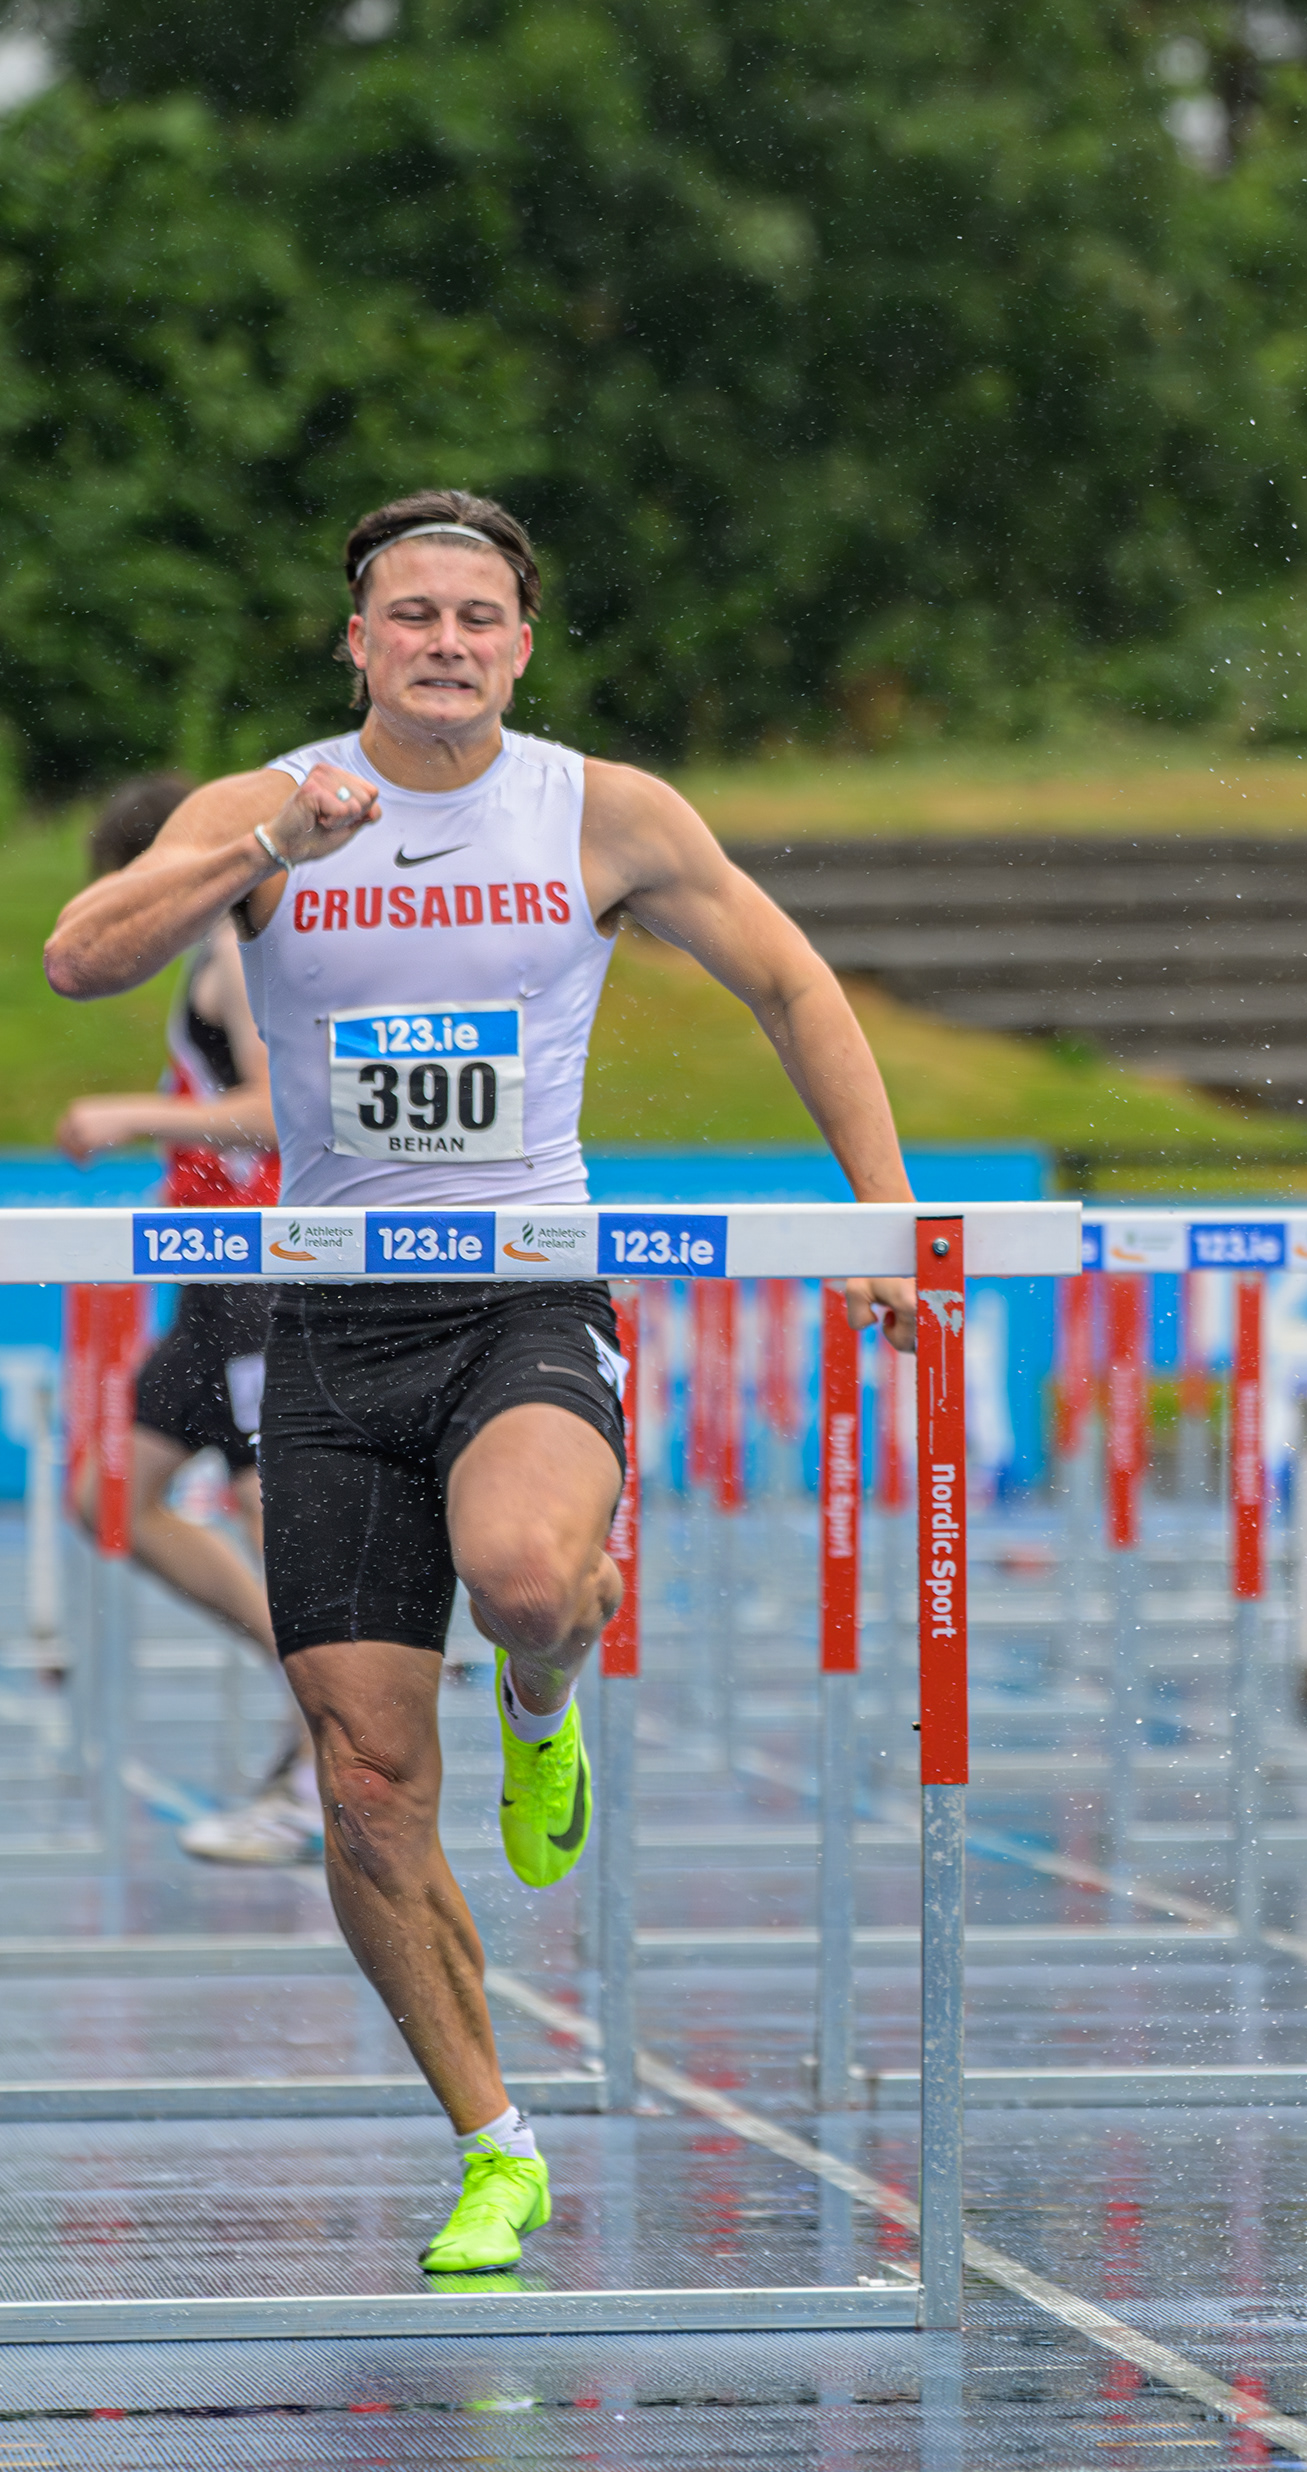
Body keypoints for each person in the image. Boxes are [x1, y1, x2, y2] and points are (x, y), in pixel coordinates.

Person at [43, 490, 920, 2279]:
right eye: (411, 615)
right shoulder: (267, 809)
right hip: (328, 1322)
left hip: (522, 1286)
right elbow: (82, 957)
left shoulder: (604, 812)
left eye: (478, 617)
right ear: (355, 641)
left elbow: (794, 985)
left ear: (522, 645)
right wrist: (276, 836)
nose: (445, 641)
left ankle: (544, 1699)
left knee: (529, 1576)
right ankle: (493, 2143)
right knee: (363, 1778)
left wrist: (886, 1220)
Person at [52, 774, 326, 1863]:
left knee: (278, 1518)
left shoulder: (227, 952)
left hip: (265, 1276)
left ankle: (322, 1769)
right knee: (107, 1494)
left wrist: (130, 1114)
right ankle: (312, 1671)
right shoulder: (210, 961)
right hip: (211, 1286)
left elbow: (280, 1111)